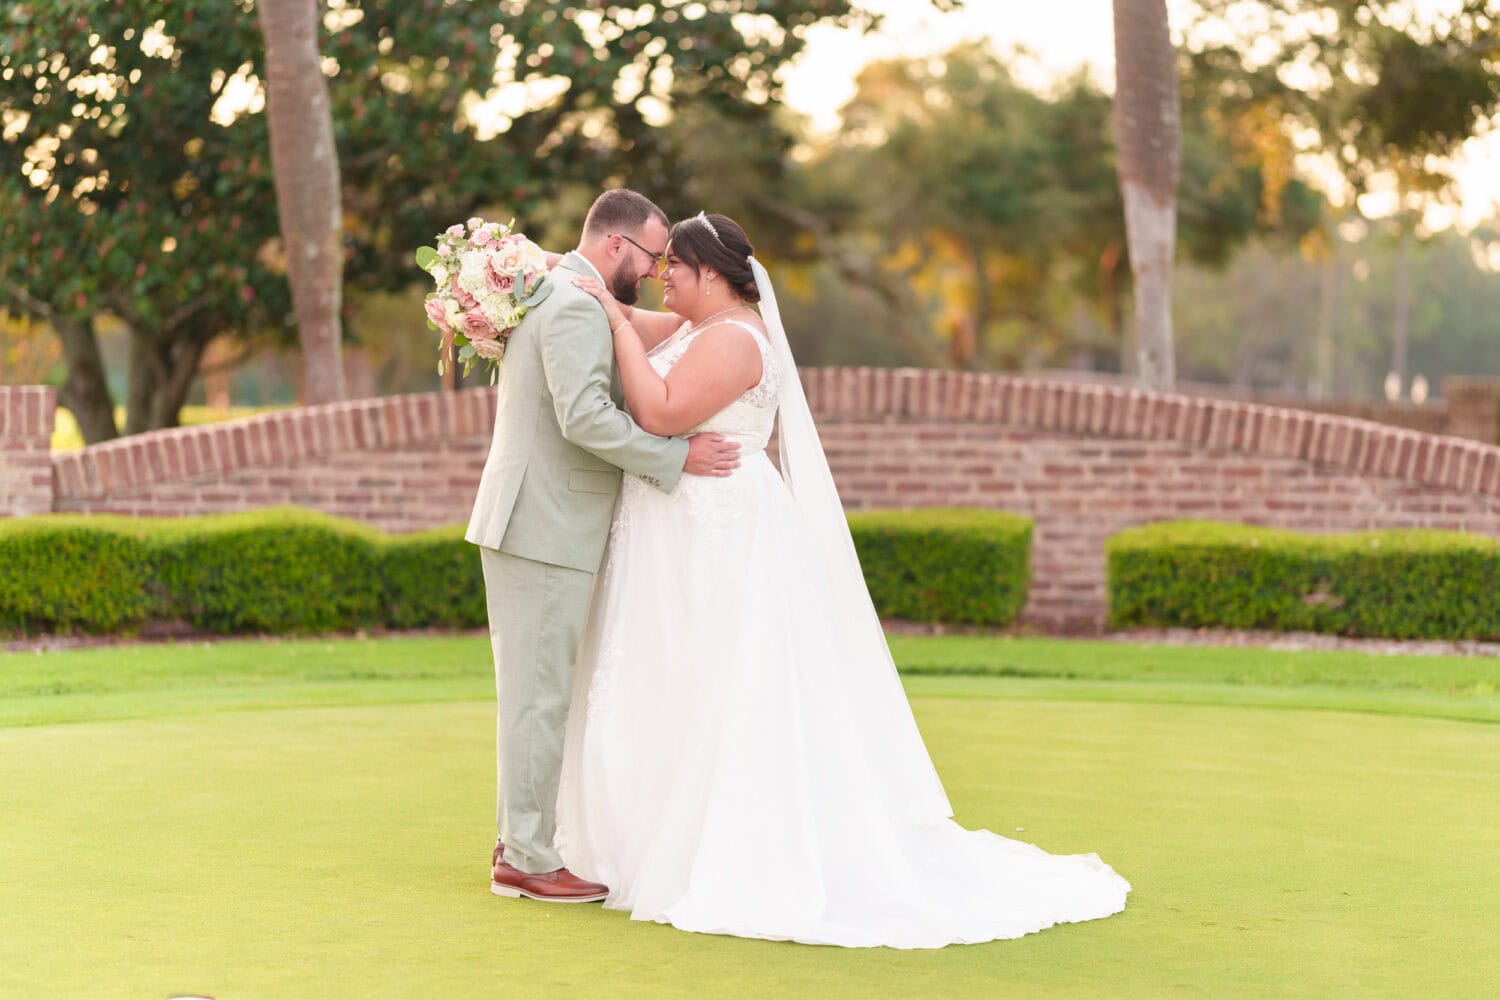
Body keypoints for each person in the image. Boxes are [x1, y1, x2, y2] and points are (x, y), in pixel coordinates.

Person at [553, 211, 1131, 947]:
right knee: (667, 676)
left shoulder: (734, 339)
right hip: (671, 533)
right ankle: (637, 839)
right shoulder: (694, 328)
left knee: (720, 682)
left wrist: (613, 321)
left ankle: (720, 846)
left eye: (675, 270)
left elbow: (660, 412)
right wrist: (545, 276)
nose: (662, 278)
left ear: (711, 275)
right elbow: (622, 314)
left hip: (717, 534)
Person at [467, 190, 741, 903]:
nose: (655, 272)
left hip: (541, 521)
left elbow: (657, 337)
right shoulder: (573, 306)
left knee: (536, 690)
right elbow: (585, 417)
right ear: (617, 246)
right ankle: (525, 857)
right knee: (538, 696)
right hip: (542, 523)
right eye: (652, 257)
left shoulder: (570, 293)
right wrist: (675, 456)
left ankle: (517, 837)